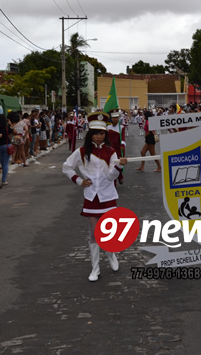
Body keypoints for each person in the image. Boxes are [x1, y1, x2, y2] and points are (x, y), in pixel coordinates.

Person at [62, 112, 128, 282]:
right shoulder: (81, 151)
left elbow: (111, 176)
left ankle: (111, 255)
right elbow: (66, 167)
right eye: (96, 133)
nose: (99, 136)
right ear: (90, 134)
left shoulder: (111, 152)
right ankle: (95, 269)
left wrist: (119, 167)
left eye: (102, 133)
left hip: (108, 195)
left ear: (105, 134)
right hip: (92, 197)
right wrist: (78, 181)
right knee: (94, 234)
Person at [0, 113, 10, 186]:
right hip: (6, 145)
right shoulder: (6, 127)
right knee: (5, 163)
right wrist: (10, 123)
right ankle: (4, 180)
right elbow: (14, 131)